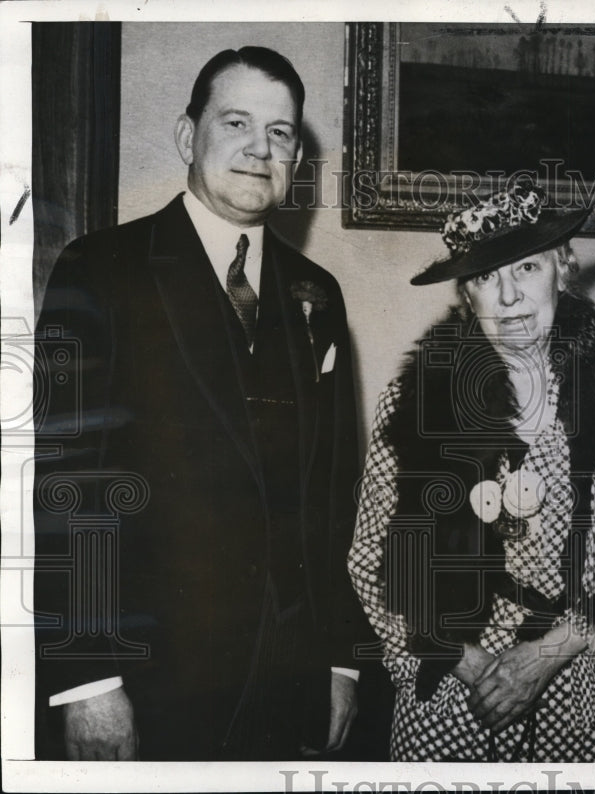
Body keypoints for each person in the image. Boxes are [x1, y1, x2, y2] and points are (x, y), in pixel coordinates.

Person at [33, 46, 369, 761]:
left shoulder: (317, 294)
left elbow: (332, 496)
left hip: (285, 682)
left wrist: (340, 661)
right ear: (189, 137)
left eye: (280, 133)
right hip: (149, 684)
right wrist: (86, 678)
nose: (259, 149)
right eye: (237, 122)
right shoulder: (102, 269)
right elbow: (69, 485)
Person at [348, 178, 595, 762]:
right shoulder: (417, 403)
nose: (508, 297)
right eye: (485, 278)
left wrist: (546, 656)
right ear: (466, 297)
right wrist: (470, 665)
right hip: (452, 691)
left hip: (585, 691)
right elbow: (371, 560)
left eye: (525, 269)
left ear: (562, 269)